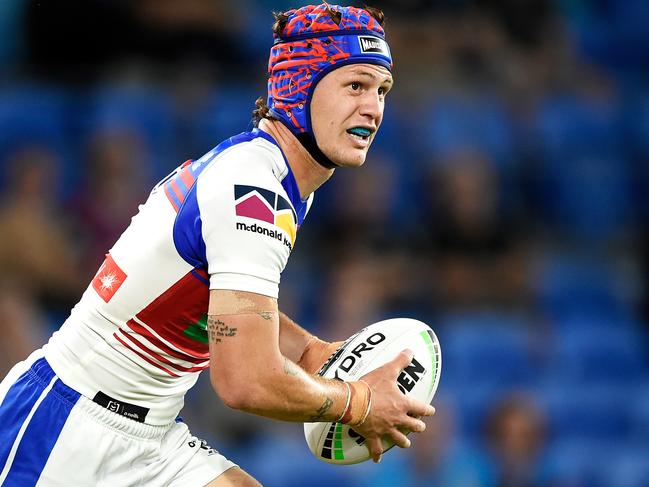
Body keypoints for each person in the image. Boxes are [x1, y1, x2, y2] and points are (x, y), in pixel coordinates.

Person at [0, 4, 435, 486]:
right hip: (63, 427)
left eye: (382, 90)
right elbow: (245, 380)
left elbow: (226, 302)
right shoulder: (253, 190)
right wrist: (358, 402)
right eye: (355, 85)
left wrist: (312, 351)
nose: (373, 108)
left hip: (151, 430)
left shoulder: (272, 177)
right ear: (299, 85)